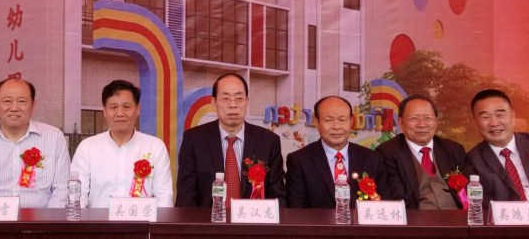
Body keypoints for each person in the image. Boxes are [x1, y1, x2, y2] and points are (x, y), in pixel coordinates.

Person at [176, 73, 287, 206]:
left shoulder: (268, 141)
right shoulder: (194, 140)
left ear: (247, 102)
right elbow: (186, 197)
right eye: (225, 98)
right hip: (209, 219)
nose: (233, 104)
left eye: (239, 98)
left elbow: (278, 196)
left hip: (254, 218)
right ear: (213, 102)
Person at [0, 77, 69, 208]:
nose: (14, 108)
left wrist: (47, 221)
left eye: (22, 101)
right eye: (7, 101)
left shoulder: (54, 139)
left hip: (42, 219)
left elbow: (62, 191)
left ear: (33, 105)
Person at [71, 80, 173, 207]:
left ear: (138, 109)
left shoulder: (155, 147)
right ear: (104, 111)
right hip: (99, 220)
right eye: (114, 107)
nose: (120, 113)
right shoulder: (87, 148)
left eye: (126, 107)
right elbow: (77, 198)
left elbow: (164, 197)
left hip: (142, 220)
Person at [286, 95, 389, 208]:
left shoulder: (373, 159)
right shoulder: (299, 161)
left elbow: (384, 206)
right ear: (317, 123)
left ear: (351, 121)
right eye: (328, 120)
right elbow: (297, 210)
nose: (336, 127)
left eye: (342, 120)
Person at [377, 95, 471, 209]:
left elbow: (469, 191)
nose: (422, 124)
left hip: (457, 217)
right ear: (401, 122)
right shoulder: (388, 152)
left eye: (428, 118)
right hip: (416, 218)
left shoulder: (453, 149)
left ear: (436, 122)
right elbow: (397, 199)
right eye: (414, 118)